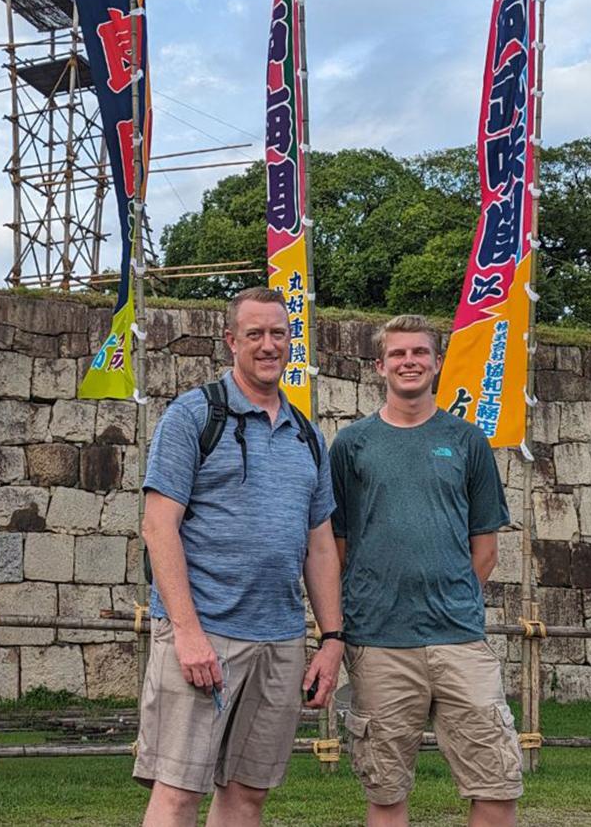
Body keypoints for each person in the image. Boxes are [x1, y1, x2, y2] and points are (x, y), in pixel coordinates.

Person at [134, 286, 345, 827]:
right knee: (179, 790)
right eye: (255, 334)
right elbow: (159, 526)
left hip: (278, 639)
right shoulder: (193, 416)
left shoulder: (306, 434)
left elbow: (319, 544)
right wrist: (186, 632)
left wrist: (331, 638)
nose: (269, 345)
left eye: (279, 333)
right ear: (231, 341)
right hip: (205, 633)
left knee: (248, 794)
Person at [330, 314, 521, 827]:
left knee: (497, 784)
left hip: (458, 638)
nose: (408, 361)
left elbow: (485, 548)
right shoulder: (352, 445)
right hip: (378, 640)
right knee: (386, 792)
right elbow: (338, 547)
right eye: (397, 354)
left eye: (419, 353)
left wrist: (449, 595)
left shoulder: (466, 441)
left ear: (437, 363)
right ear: (379, 366)